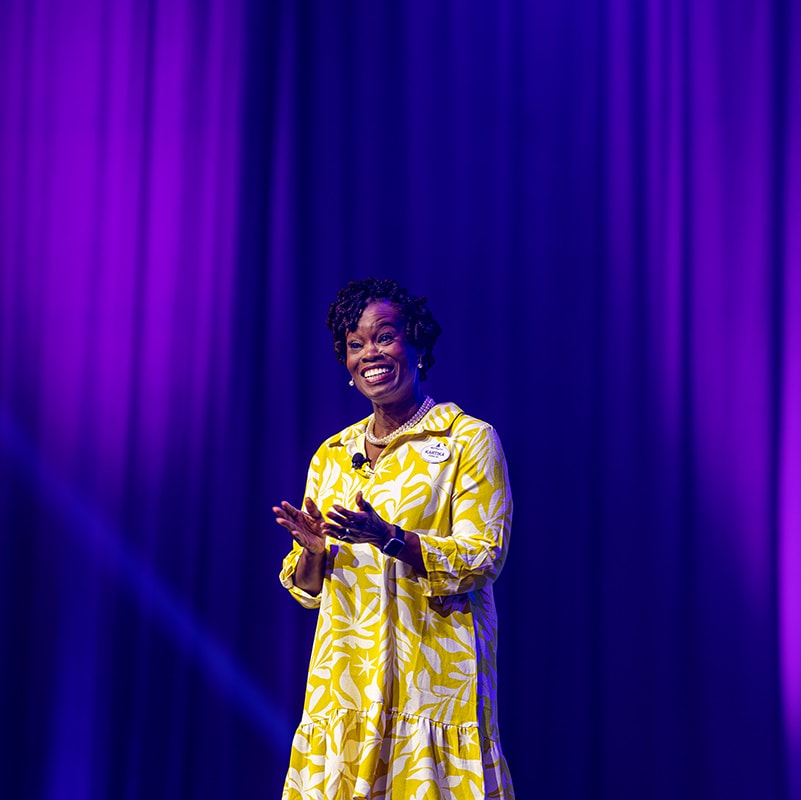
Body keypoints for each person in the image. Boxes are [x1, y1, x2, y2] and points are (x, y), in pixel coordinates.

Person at [273, 277, 515, 799]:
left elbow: (483, 555)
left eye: (384, 336)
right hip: (346, 689)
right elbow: (309, 589)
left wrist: (392, 539)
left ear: (418, 345)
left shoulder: (466, 440)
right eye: (355, 344)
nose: (370, 354)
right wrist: (313, 555)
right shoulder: (332, 455)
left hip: (431, 686)